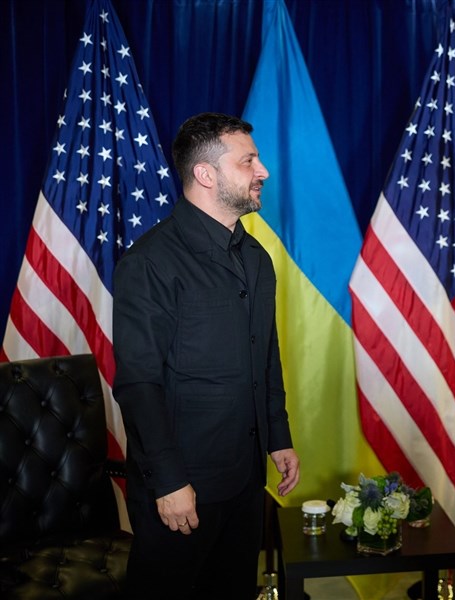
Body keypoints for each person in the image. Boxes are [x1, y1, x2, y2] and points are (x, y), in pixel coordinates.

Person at [113, 112, 300, 599]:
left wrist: (278, 435)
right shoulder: (149, 263)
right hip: (184, 487)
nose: (263, 171)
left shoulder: (256, 258)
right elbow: (138, 383)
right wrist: (169, 481)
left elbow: (265, 355)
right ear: (206, 174)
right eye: (248, 161)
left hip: (245, 480)